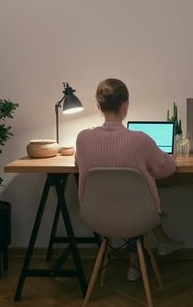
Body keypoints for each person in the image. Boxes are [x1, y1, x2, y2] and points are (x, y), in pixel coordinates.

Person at [75, 78, 184, 282]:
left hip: (96, 216)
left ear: (98, 105)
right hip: (136, 217)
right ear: (125, 106)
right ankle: (149, 253)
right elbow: (167, 169)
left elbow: (77, 163)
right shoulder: (140, 140)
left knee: (128, 200)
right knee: (137, 202)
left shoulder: (82, 139)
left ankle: (137, 263)